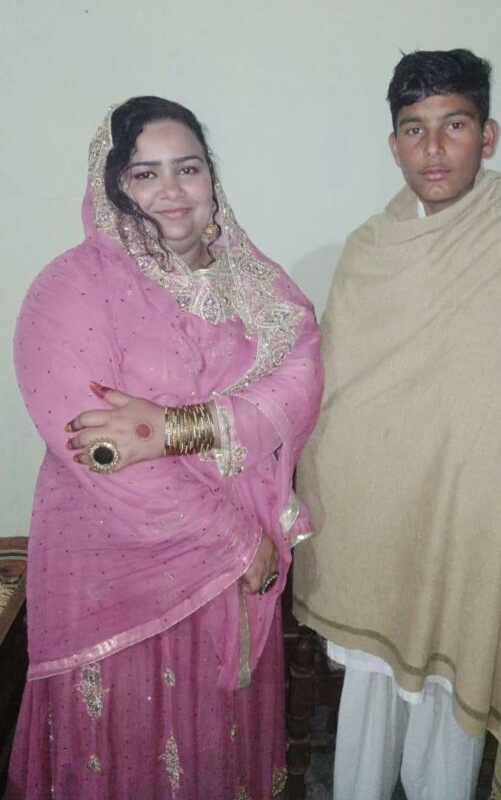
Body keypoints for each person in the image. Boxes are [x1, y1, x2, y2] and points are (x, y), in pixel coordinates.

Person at [9, 96, 323, 798]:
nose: (172, 190)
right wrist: (236, 539)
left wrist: (176, 428)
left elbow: (302, 380)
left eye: (188, 167)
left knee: (214, 739)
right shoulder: (70, 288)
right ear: (113, 184)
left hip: (230, 577)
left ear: (211, 176)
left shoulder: (255, 283)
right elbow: (96, 455)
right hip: (119, 566)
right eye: (145, 173)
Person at [293, 49, 501, 800]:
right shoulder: (368, 250)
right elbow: (340, 393)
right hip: (379, 522)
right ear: (393, 144)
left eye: (454, 125)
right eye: (413, 129)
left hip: (472, 523)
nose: (433, 148)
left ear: (488, 136)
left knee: (454, 705)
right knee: (370, 699)